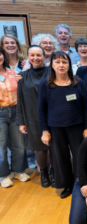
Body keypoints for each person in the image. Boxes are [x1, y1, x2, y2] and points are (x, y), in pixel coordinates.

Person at [38, 51, 87, 198]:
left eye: (64, 62)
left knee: (79, 156)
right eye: (57, 62)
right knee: (60, 158)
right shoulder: (45, 84)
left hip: (77, 126)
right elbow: (41, 109)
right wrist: (45, 131)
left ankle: (79, 183)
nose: (61, 65)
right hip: (55, 128)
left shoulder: (78, 82)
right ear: (52, 65)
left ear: (69, 64)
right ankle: (67, 184)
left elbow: (86, 107)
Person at [16, 45, 53, 188]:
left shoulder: (52, 72)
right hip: (32, 116)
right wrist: (21, 122)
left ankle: (55, 171)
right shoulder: (23, 76)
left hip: (52, 114)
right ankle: (44, 173)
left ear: (44, 56)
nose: (36, 58)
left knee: (54, 146)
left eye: (39, 55)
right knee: (39, 147)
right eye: (32, 55)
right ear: (28, 57)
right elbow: (20, 100)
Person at [0, 47, 29, 188]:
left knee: (19, 144)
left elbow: (23, 89)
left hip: (16, 110)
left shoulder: (13, 72)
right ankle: (4, 175)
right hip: (0, 113)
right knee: (1, 146)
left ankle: (18, 170)